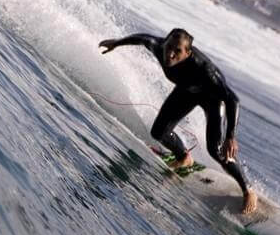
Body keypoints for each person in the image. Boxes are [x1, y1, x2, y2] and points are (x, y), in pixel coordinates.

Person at [98, 28, 257, 214]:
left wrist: (231, 136)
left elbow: (233, 99)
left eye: (178, 51)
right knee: (158, 132)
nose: (170, 53)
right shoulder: (158, 46)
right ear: (164, 42)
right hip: (186, 91)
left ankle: (248, 189)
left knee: (215, 149)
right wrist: (116, 43)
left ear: (188, 53)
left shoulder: (206, 70)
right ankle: (184, 158)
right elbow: (141, 38)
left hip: (213, 100)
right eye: (169, 47)